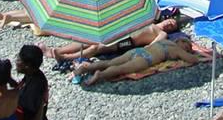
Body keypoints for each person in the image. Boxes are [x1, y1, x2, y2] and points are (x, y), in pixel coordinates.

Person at [71, 32, 204, 86]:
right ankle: (100, 75)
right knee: (121, 69)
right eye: (188, 46)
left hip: (138, 51)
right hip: (146, 59)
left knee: (110, 62)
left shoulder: (165, 41)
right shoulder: (176, 49)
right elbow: (192, 59)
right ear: (181, 41)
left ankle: (85, 68)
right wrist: (200, 56)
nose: (188, 48)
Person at [49, 16, 180, 61]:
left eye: (172, 26)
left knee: (97, 47)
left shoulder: (162, 34)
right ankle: (59, 51)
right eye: (170, 21)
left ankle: (67, 57)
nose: (169, 24)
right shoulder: (150, 19)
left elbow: (151, 46)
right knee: (91, 39)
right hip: (122, 31)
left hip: (127, 42)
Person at [10, 45, 50, 120]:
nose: (16, 61)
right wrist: (8, 80)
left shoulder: (35, 88)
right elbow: (20, 89)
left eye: (19, 60)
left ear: (27, 65)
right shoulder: (34, 75)